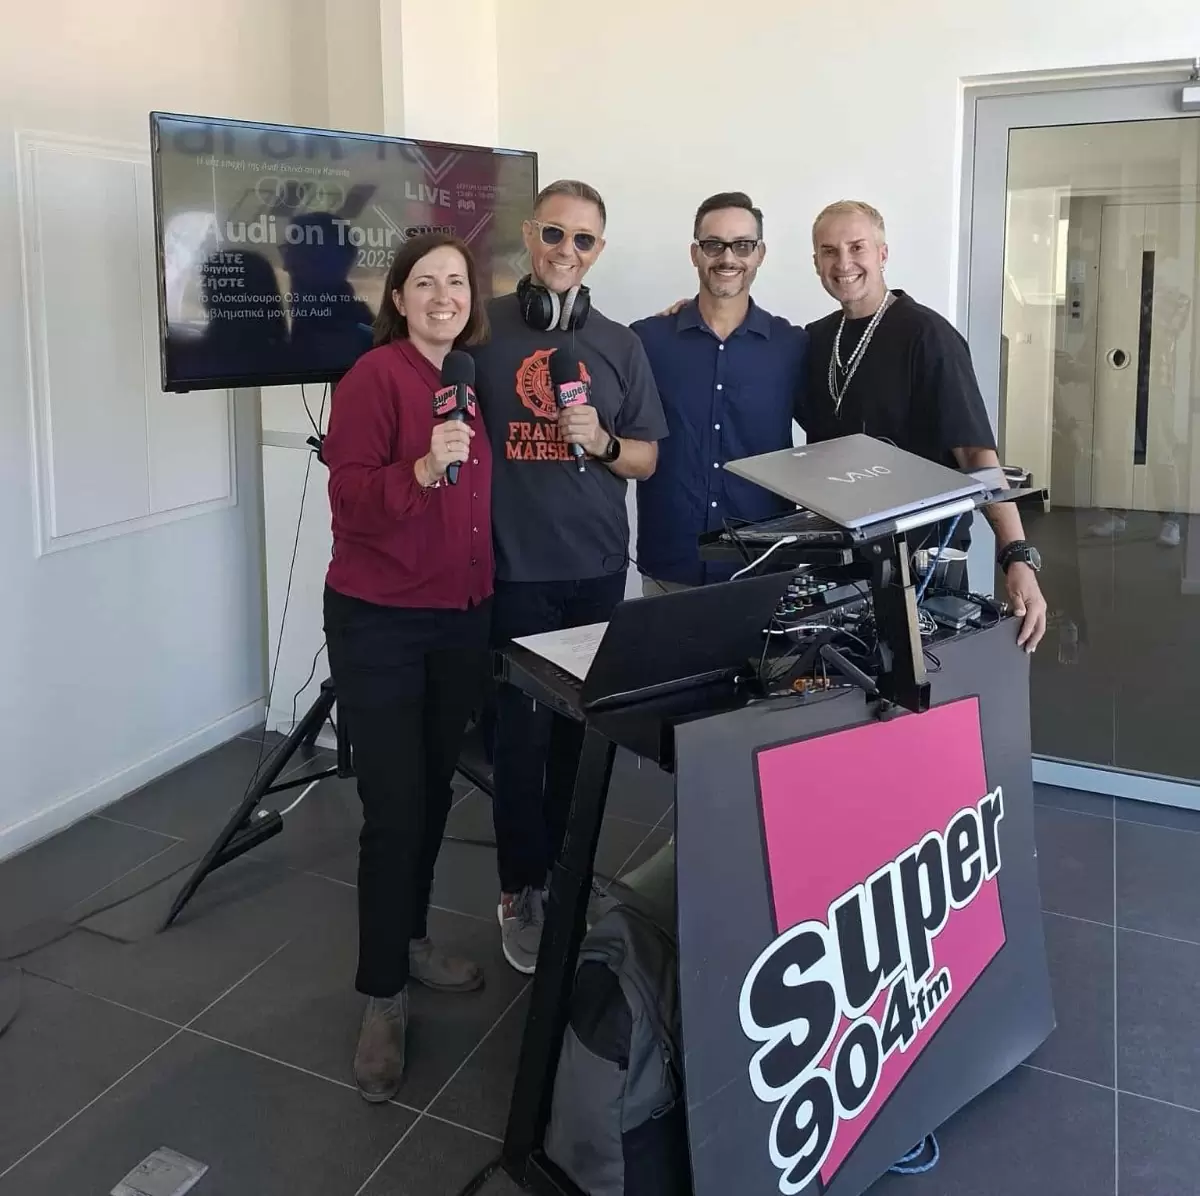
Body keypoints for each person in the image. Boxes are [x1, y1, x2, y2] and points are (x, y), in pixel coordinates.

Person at [471, 179, 669, 974]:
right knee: (519, 740)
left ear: (599, 251)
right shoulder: (481, 327)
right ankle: (520, 888)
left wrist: (603, 444)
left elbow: (646, 459)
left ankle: (563, 871)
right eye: (554, 233)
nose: (566, 250)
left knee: (578, 739)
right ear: (529, 234)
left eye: (583, 239)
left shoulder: (621, 345)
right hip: (514, 571)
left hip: (595, 571)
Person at [321, 232, 493, 1102]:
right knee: (393, 811)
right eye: (425, 283)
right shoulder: (372, 379)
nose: (443, 296)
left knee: (430, 794)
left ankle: (411, 939)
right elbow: (349, 500)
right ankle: (382, 994)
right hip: (381, 624)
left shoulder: (466, 377)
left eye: (456, 282)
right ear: (398, 298)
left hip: (458, 619)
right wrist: (424, 467)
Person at [803, 199, 1048, 652]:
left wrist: (1016, 556)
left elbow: (976, 454)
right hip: (844, 563)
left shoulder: (927, 336)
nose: (843, 263)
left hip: (924, 565)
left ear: (882, 253)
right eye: (829, 251)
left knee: (923, 689)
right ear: (816, 261)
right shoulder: (816, 340)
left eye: (857, 247)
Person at [631, 192, 808, 594]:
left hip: (764, 563)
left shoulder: (792, 345)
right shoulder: (647, 341)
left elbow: (830, 438)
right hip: (671, 561)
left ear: (760, 254)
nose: (728, 258)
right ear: (695, 253)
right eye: (714, 245)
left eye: (742, 245)